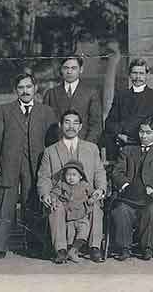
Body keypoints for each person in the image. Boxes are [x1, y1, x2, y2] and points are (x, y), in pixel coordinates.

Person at [0, 72, 59, 259]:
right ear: (15, 90)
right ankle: (0, 248)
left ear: (35, 88)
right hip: (8, 165)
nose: (25, 91)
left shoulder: (46, 112)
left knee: (32, 206)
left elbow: (53, 141)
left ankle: (33, 246)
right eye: (21, 88)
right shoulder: (3, 110)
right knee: (5, 206)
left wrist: (51, 166)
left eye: (28, 87)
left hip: (35, 167)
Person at [37, 109, 107, 262]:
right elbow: (44, 177)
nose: (71, 126)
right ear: (61, 125)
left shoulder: (91, 148)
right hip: (62, 197)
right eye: (67, 122)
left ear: (80, 127)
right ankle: (61, 250)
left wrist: (100, 190)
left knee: (95, 206)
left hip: (85, 196)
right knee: (56, 207)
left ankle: (95, 247)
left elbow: (99, 172)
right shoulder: (50, 151)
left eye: (75, 123)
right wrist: (45, 194)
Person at [108, 116, 153, 260]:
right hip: (128, 193)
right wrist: (125, 185)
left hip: (149, 193)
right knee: (121, 210)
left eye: (148, 132)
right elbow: (117, 171)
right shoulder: (127, 150)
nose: (143, 136)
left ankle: (147, 247)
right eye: (141, 132)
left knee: (151, 208)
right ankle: (124, 248)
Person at [104, 58, 153, 160]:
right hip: (125, 146)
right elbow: (110, 122)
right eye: (134, 73)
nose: (138, 77)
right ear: (129, 74)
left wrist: (150, 134)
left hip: (149, 148)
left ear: (147, 75)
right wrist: (120, 134)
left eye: (141, 73)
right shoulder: (121, 96)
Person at [41, 56, 104, 148]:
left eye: (73, 68)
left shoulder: (91, 93)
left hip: (83, 147)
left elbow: (96, 125)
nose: (69, 72)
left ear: (81, 69)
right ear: (61, 70)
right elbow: (45, 125)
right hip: (57, 148)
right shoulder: (51, 94)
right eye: (66, 68)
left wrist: (86, 146)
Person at [45, 163, 97, 264]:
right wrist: (54, 199)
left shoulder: (85, 185)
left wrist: (92, 199)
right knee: (70, 235)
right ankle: (67, 251)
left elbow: (93, 193)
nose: (71, 178)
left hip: (82, 217)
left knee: (82, 235)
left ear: (80, 176)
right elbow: (53, 193)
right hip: (69, 219)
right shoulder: (62, 185)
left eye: (74, 175)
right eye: (68, 175)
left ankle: (73, 250)